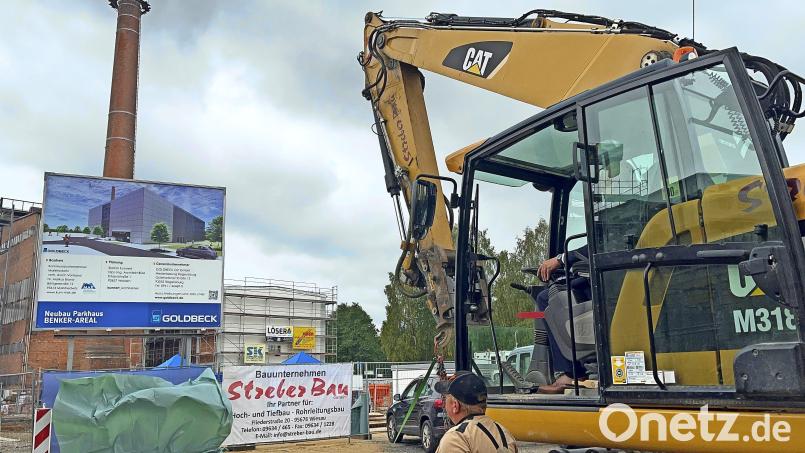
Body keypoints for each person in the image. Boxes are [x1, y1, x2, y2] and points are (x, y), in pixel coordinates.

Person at [534, 246, 590, 394]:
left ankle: (572, 373)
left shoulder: (611, 229)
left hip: (602, 284)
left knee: (545, 298)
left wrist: (561, 259)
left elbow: (595, 246)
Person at [435, 371, 518, 453]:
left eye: (445, 399)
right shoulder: (504, 433)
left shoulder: (455, 438)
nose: (444, 405)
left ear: (455, 405)